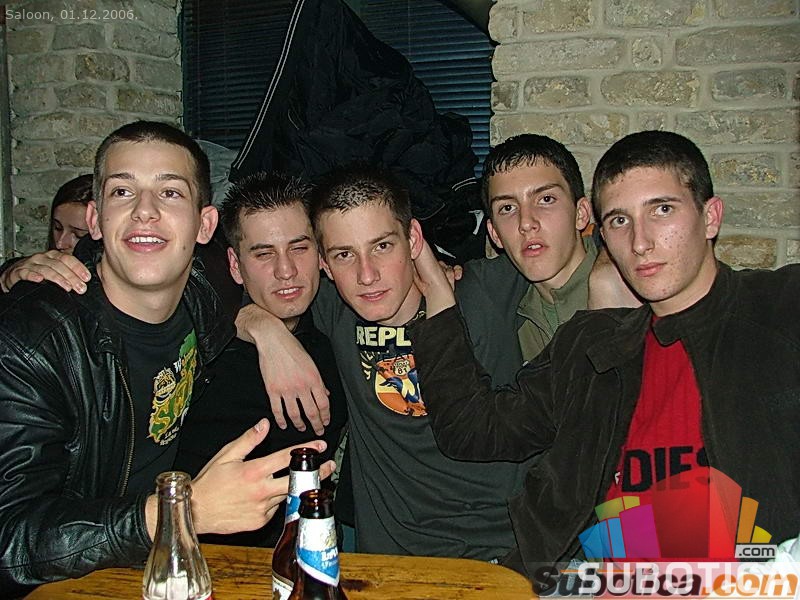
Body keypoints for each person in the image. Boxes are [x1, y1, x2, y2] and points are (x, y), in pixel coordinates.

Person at [409, 130, 800, 585]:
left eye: (662, 210)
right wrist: (438, 294)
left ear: (710, 217)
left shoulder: (777, 309)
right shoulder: (592, 342)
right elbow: (474, 430)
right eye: (619, 220)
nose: (640, 241)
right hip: (590, 582)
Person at [0, 121, 333, 596]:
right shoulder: (30, 342)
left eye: (170, 192)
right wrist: (183, 511)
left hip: (160, 570)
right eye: (122, 191)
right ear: (95, 219)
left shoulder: (199, 299)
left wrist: (268, 330)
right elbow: (10, 542)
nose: (145, 211)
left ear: (204, 225)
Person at [240, 164, 529, 560]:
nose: (367, 275)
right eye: (345, 255)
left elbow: (580, 257)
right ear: (325, 265)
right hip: (390, 561)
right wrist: (266, 332)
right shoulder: (332, 309)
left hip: (505, 551)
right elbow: (218, 294)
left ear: (413, 240)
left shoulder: (484, 290)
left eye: (382, 246)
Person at [173, 170, 348, 547]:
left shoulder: (339, 324)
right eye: (264, 253)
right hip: (203, 557)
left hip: (311, 552)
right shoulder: (199, 350)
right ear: (235, 266)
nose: (286, 271)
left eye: (299, 248)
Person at [462, 133, 638, 365]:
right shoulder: (502, 315)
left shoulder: (635, 288)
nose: (526, 223)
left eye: (545, 199)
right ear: (495, 234)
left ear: (581, 214)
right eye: (508, 208)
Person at [0, 174, 93, 292]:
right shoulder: (33, 271)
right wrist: (5, 281)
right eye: (57, 228)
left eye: (78, 234)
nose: (60, 243)